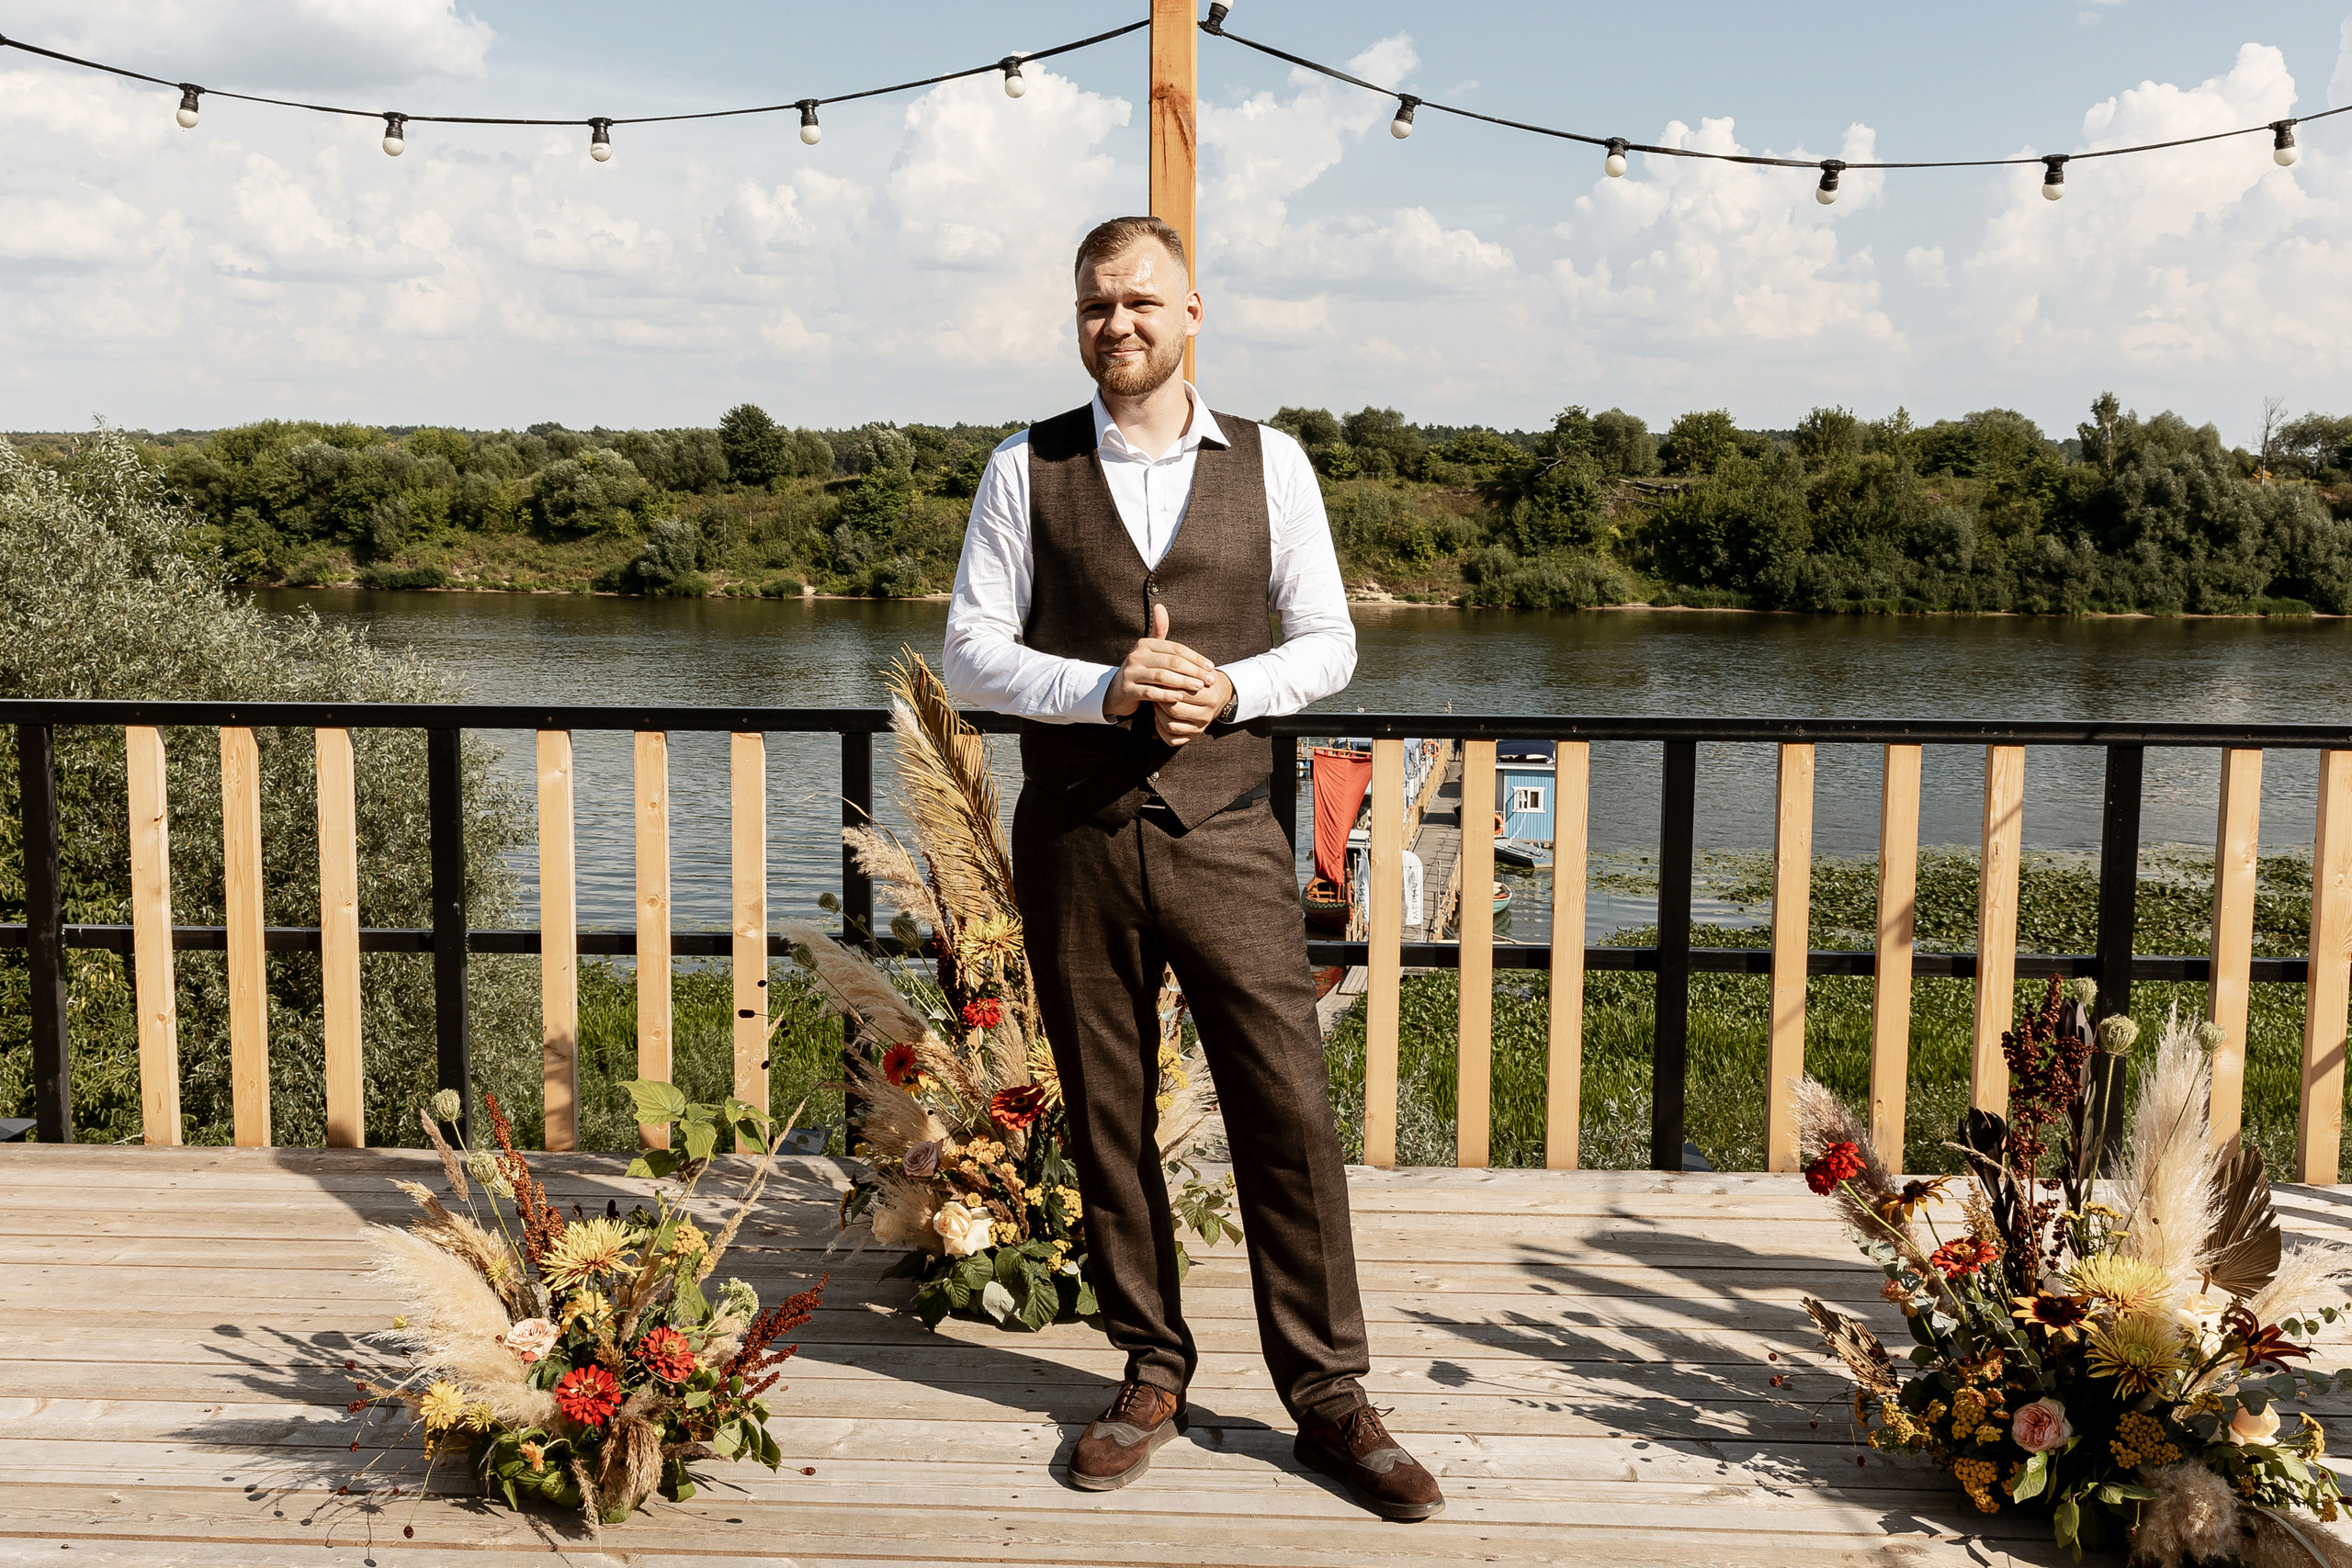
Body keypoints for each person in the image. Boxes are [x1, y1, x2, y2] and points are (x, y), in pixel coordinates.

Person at [943, 215, 1443, 1523]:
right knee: (1108, 1117)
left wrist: (1224, 688)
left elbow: (1330, 643)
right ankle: (1151, 1371)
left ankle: (1330, 1398)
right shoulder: (1023, 466)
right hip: (1077, 835)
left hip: (1227, 834)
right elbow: (972, 656)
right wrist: (1109, 687)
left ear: (1194, 312)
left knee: (1286, 1110)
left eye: (1142, 303)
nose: (1118, 325)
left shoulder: (1274, 465)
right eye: (1096, 306)